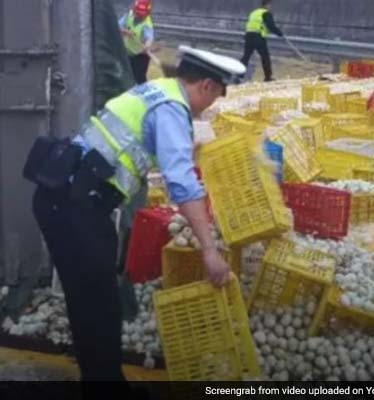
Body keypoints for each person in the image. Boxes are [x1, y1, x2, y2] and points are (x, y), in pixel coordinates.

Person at [25, 46, 246, 381]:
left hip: (68, 199)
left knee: (92, 304)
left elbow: (139, 147)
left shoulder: (157, 91)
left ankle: (103, 383)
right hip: (75, 206)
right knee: (99, 308)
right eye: (215, 96)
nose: (210, 106)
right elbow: (182, 185)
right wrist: (210, 251)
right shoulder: (172, 108)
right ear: (206, 86)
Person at [241, 0, 284, 82]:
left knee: (246, 57)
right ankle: (268, 77)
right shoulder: (266, 13)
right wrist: (280, 33)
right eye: (270, 5)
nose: (271, 7)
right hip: (258, 37)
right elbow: (271, 26)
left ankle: (238, 75)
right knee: (265, 57)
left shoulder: (254, 12)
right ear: (267, 5)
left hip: (249, 36)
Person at [120, 0, 155, 84]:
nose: (139, 16)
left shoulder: (147, 24)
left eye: (142, 15)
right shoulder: (128, 15)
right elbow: (117, 26)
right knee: (124, 76)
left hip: (140, 56)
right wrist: (125, 31)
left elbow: (149, 38)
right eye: (138, 13)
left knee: (139, 78)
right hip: (127, 53)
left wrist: (146, 46)